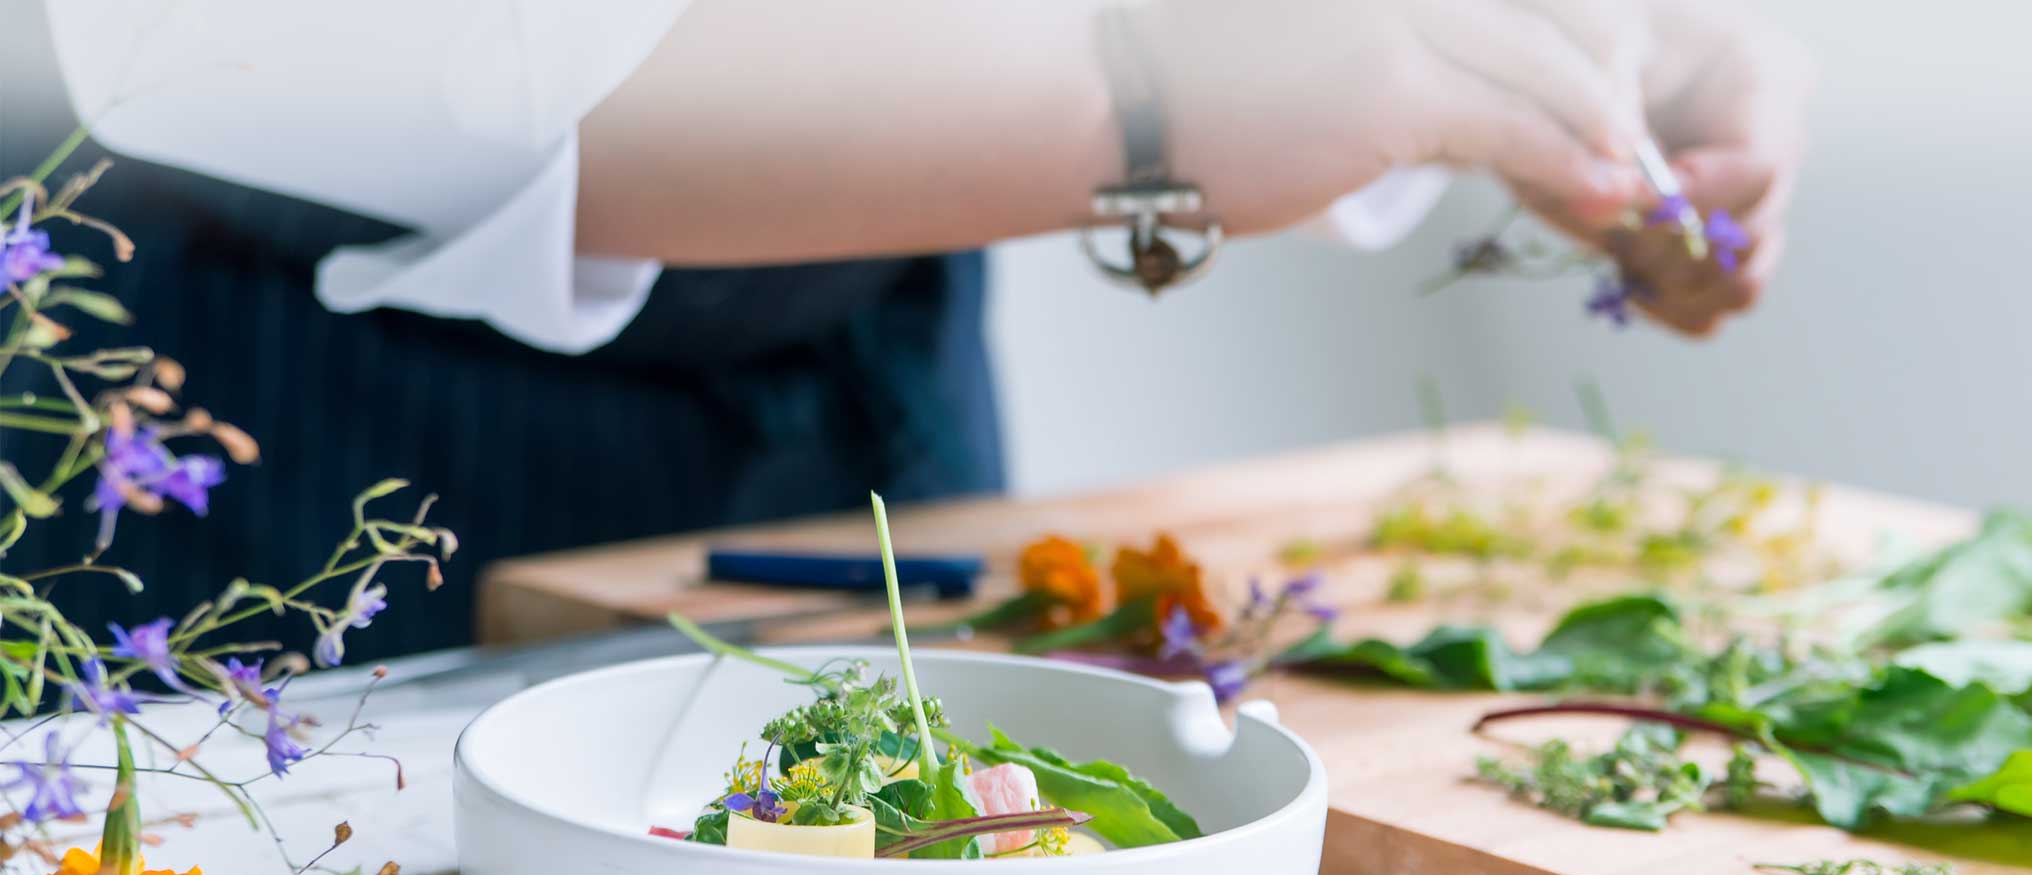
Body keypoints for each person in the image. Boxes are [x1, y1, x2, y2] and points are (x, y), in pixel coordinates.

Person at [2, 0, 1810, 660]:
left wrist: (1576, 45)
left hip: (873, 400)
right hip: (246, 478)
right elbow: (236, 45)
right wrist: (1146, 108)